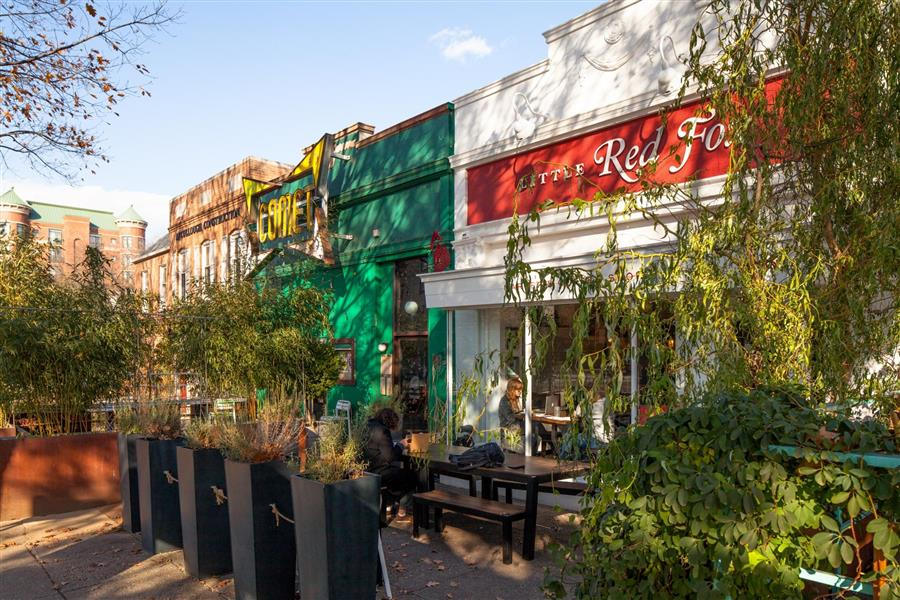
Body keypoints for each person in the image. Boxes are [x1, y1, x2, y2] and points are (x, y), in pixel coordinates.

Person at [364, 407, 417, 517]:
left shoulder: (368, 425)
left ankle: (388, 504)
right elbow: (391, 457)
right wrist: (401, 444)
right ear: (391, 421)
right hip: (378, 472)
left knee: (398, 475)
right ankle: (403, 507)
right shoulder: (383, 431)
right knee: (412, 476)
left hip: (366, 470)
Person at [498, 377, 548, 454]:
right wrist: (522, 415)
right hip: (509, 428)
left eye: (521, 389)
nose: (520, 391)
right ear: (512, 389)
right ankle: (550, 442)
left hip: (517, 426)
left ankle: (548, 442)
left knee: (536, 429)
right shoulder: (504, 401)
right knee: (536, 425)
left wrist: (523, 413)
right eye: (518, 389)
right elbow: (510, 418)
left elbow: (518, 413)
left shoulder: (516, 399)